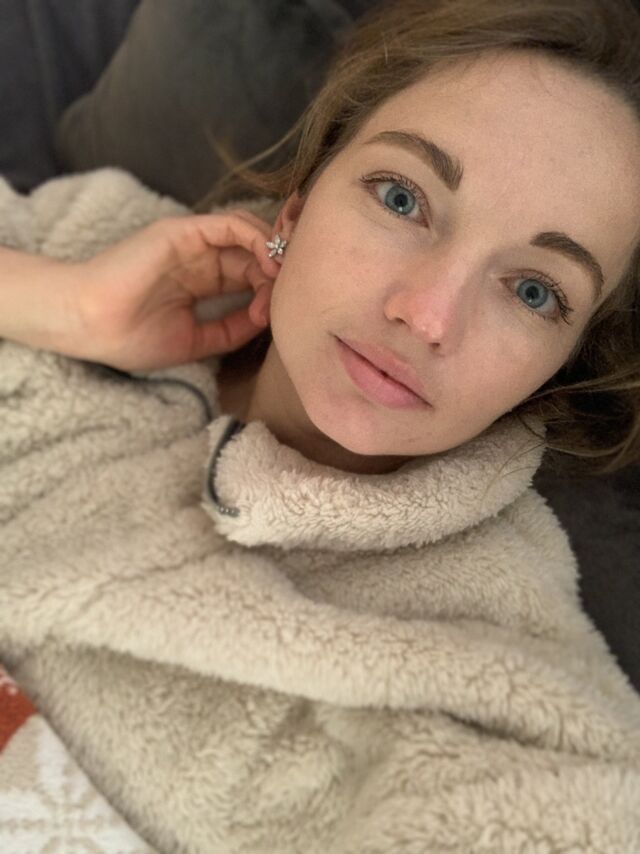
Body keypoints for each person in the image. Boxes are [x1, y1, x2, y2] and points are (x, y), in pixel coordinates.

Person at [1, 0, 640, 851]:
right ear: (296, 211)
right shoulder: (90, 236)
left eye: (533, 291)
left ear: (557, 368)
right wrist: (66, 305)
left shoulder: (493, 656)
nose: (427, 315)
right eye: (404, 198)